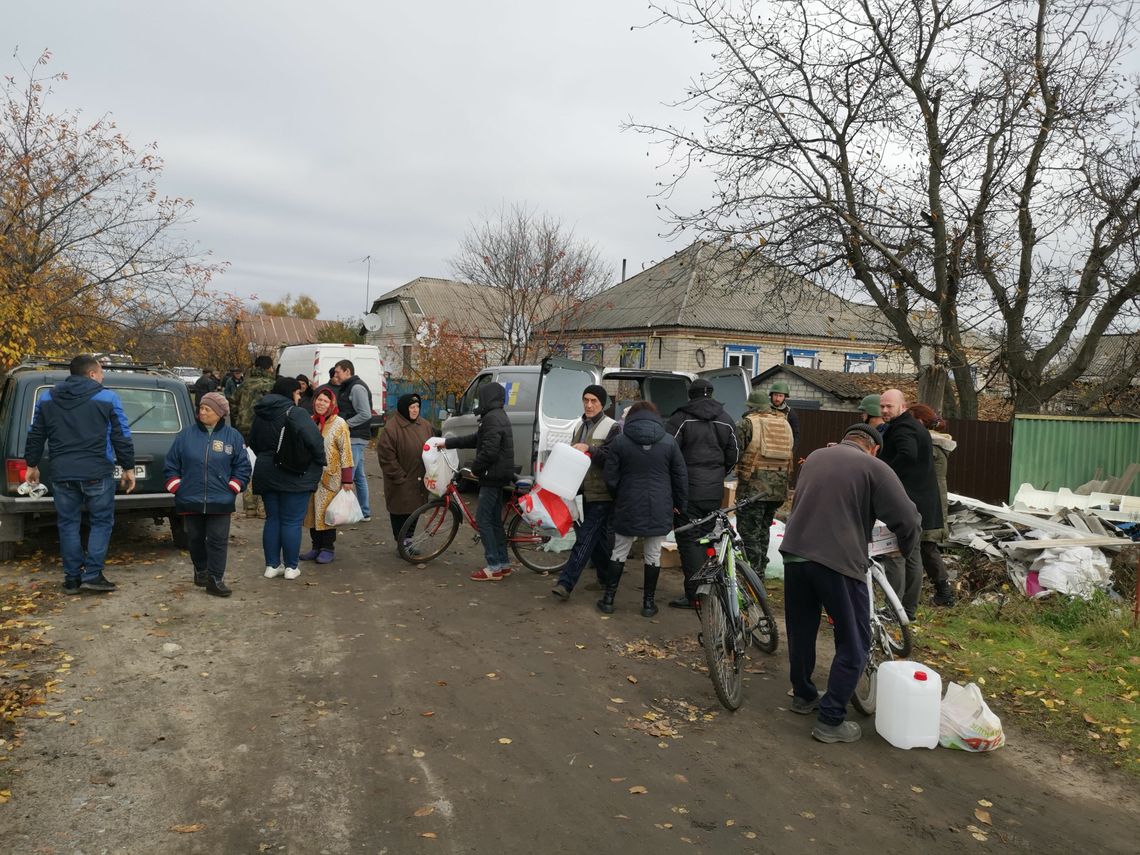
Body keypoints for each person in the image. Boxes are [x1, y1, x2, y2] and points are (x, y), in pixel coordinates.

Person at [780, 424, 920, 744]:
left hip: (795, 555)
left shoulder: (816, 456)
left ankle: (803, 696)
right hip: (838, 561)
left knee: (802, 629)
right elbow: (908, 519)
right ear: (874, 448)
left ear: (845, 440)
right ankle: (830, 719)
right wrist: (905, 550)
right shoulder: (874, 467)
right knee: (855, 641)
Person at [24, 354, 137, 594]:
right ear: (92, 374)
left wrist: (32, 465)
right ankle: (93, 575)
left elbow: (35, 434)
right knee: (101, 522)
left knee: (67, 524)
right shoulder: (107, 397)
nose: (103, 376)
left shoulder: (47, 398)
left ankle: (72, 578)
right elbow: (122, 435)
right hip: (97, 471)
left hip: (62, 473)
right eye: (101, 372)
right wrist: (128, 468)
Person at [601, 401, 688, 616]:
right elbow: (680, 477)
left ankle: (609, 600)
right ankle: (648, 604)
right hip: (659, 506)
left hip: (628, 504)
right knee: (653, 555)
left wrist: (619, 496)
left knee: (619, 551)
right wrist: (679, 505)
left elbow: (610, 477)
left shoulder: (620, 441)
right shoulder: (669, 442)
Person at [162, 392, 251, 597]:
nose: (202, 412)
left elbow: (243, 467)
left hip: (221, 499)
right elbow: (171, 465)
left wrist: (234, 487)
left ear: (219, 413)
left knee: (218, 540)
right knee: (195, 539)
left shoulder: (233, 437)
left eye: (207, 409)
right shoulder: (186, 435)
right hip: (190, 499)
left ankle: (215, 579)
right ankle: (201, 569)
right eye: (201, 408)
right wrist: (178, 487)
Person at [665, 379, 739, 609]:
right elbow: (734, 455)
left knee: (688, 542)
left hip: (687, 491)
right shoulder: (726, 419)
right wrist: (719, 475)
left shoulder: (680, 419)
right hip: (713, 491)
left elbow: (669, 452)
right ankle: (710, 589)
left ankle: (696, 596)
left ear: (691, 395)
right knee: (707, 539)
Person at [249, 377, 327, 580]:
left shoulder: (260, 413)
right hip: (294, 474)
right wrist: (319, 462)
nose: (300, 396)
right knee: (291, 521)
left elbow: (253, 442)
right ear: (291, 393)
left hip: (266, 471)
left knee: (272, 519)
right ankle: (291, 567)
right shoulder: (296, 413)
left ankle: (272, 565)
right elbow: (316, 442)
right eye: (298, 392)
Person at [879, 388, 943, 619]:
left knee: (895, 555)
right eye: (882, 406)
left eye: (889, 406)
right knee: (912, 555)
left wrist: (884, 475)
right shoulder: (914, 426)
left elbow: (907, 454)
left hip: (905, 503)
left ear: (903, 407)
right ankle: (907, 610)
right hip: (919, 502)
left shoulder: (903, 427)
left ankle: (895, 610)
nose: (885, 410)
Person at [551, 384, 620, 601]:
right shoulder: (579, 426)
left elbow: (612, 457)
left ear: (602, 404)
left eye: (594, 401)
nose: (589, 405)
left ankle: (566, 583)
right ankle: (608, 577)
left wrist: (590, 449)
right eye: (586, 400)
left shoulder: (613, 427)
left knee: (585, 537)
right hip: (584, 490)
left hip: (603, 493)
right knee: (596, 538)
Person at [443, 382, 515, 581]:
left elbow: (489, 451)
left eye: (481, 397)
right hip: (499, 475)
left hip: (492, 477)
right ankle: (503, 564)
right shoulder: (497, 416)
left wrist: (475, 469)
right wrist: (448, 442)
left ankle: (493, 567)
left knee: (483, 520)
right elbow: (476, 439)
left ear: (487, 398)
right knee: (494, 522)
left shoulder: (492, 418)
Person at [735, 387, 795, 575]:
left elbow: (735, 451)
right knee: (763, 530)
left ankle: (753, 574)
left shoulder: (747, 423)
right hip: (777, 490)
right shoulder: (784, 423)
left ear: (751, 407)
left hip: (753, 488)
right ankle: (760, 568)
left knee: (748, 531)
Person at [909, 403, 956, 607]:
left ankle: (944, 593)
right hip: (931, 501)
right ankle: (941, 592)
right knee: (925, 547)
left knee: (926, 547)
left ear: (920, 421)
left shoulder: (930, 446)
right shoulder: (936, 444)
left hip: (929, 502)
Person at [300, 386, 354, 564]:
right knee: (312, 512)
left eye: (325, 400)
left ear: (332, 403)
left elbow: (346, 451)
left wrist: (347, 479)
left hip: (331, 477)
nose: (321, 403)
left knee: (327, 514)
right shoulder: (311, 421)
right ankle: (315, 547)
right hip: (311, 476)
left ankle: (327, 548)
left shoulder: (339, 423)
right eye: (318, 399)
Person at [375, 392, 435, 549]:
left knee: (415, 509)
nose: (415, 410)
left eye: (417, 407)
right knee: (399, 511)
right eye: (411, 407)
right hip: (400, 479)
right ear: (403, 408)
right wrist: (400, 476)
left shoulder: (425, 425)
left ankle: (408, 539)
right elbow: (386, 457)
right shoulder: (392, 428)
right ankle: (401, 540)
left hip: (419, 478)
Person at [233, 355, 276, 519]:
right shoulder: (272, 385)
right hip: (266, 431)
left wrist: (238, 423)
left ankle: (249, 507)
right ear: (269, 368)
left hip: (245, 431)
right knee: (266, 466)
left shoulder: (244, 385)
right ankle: (263, 507)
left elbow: (233, 404)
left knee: (248, 466)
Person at [331, 360, 374, 522]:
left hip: (355, 438)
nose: (335, 375)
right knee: (359, 476)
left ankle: (343, 513)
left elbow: (365, 414)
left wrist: (344, 425)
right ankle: (364, 511)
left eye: (337, 372)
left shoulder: (356, 388)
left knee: (349, 475)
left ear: (347, 371)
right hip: (354, 436)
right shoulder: (348, 387)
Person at [767, 380, 800, 450]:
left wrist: (792, 452)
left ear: (785, 397)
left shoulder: (790, 412)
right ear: (771, 395)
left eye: (780, 396)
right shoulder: (764, 409)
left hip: (782, 449)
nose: (777, 398)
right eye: (775, 395)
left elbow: (796, 435)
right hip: (766, 447)